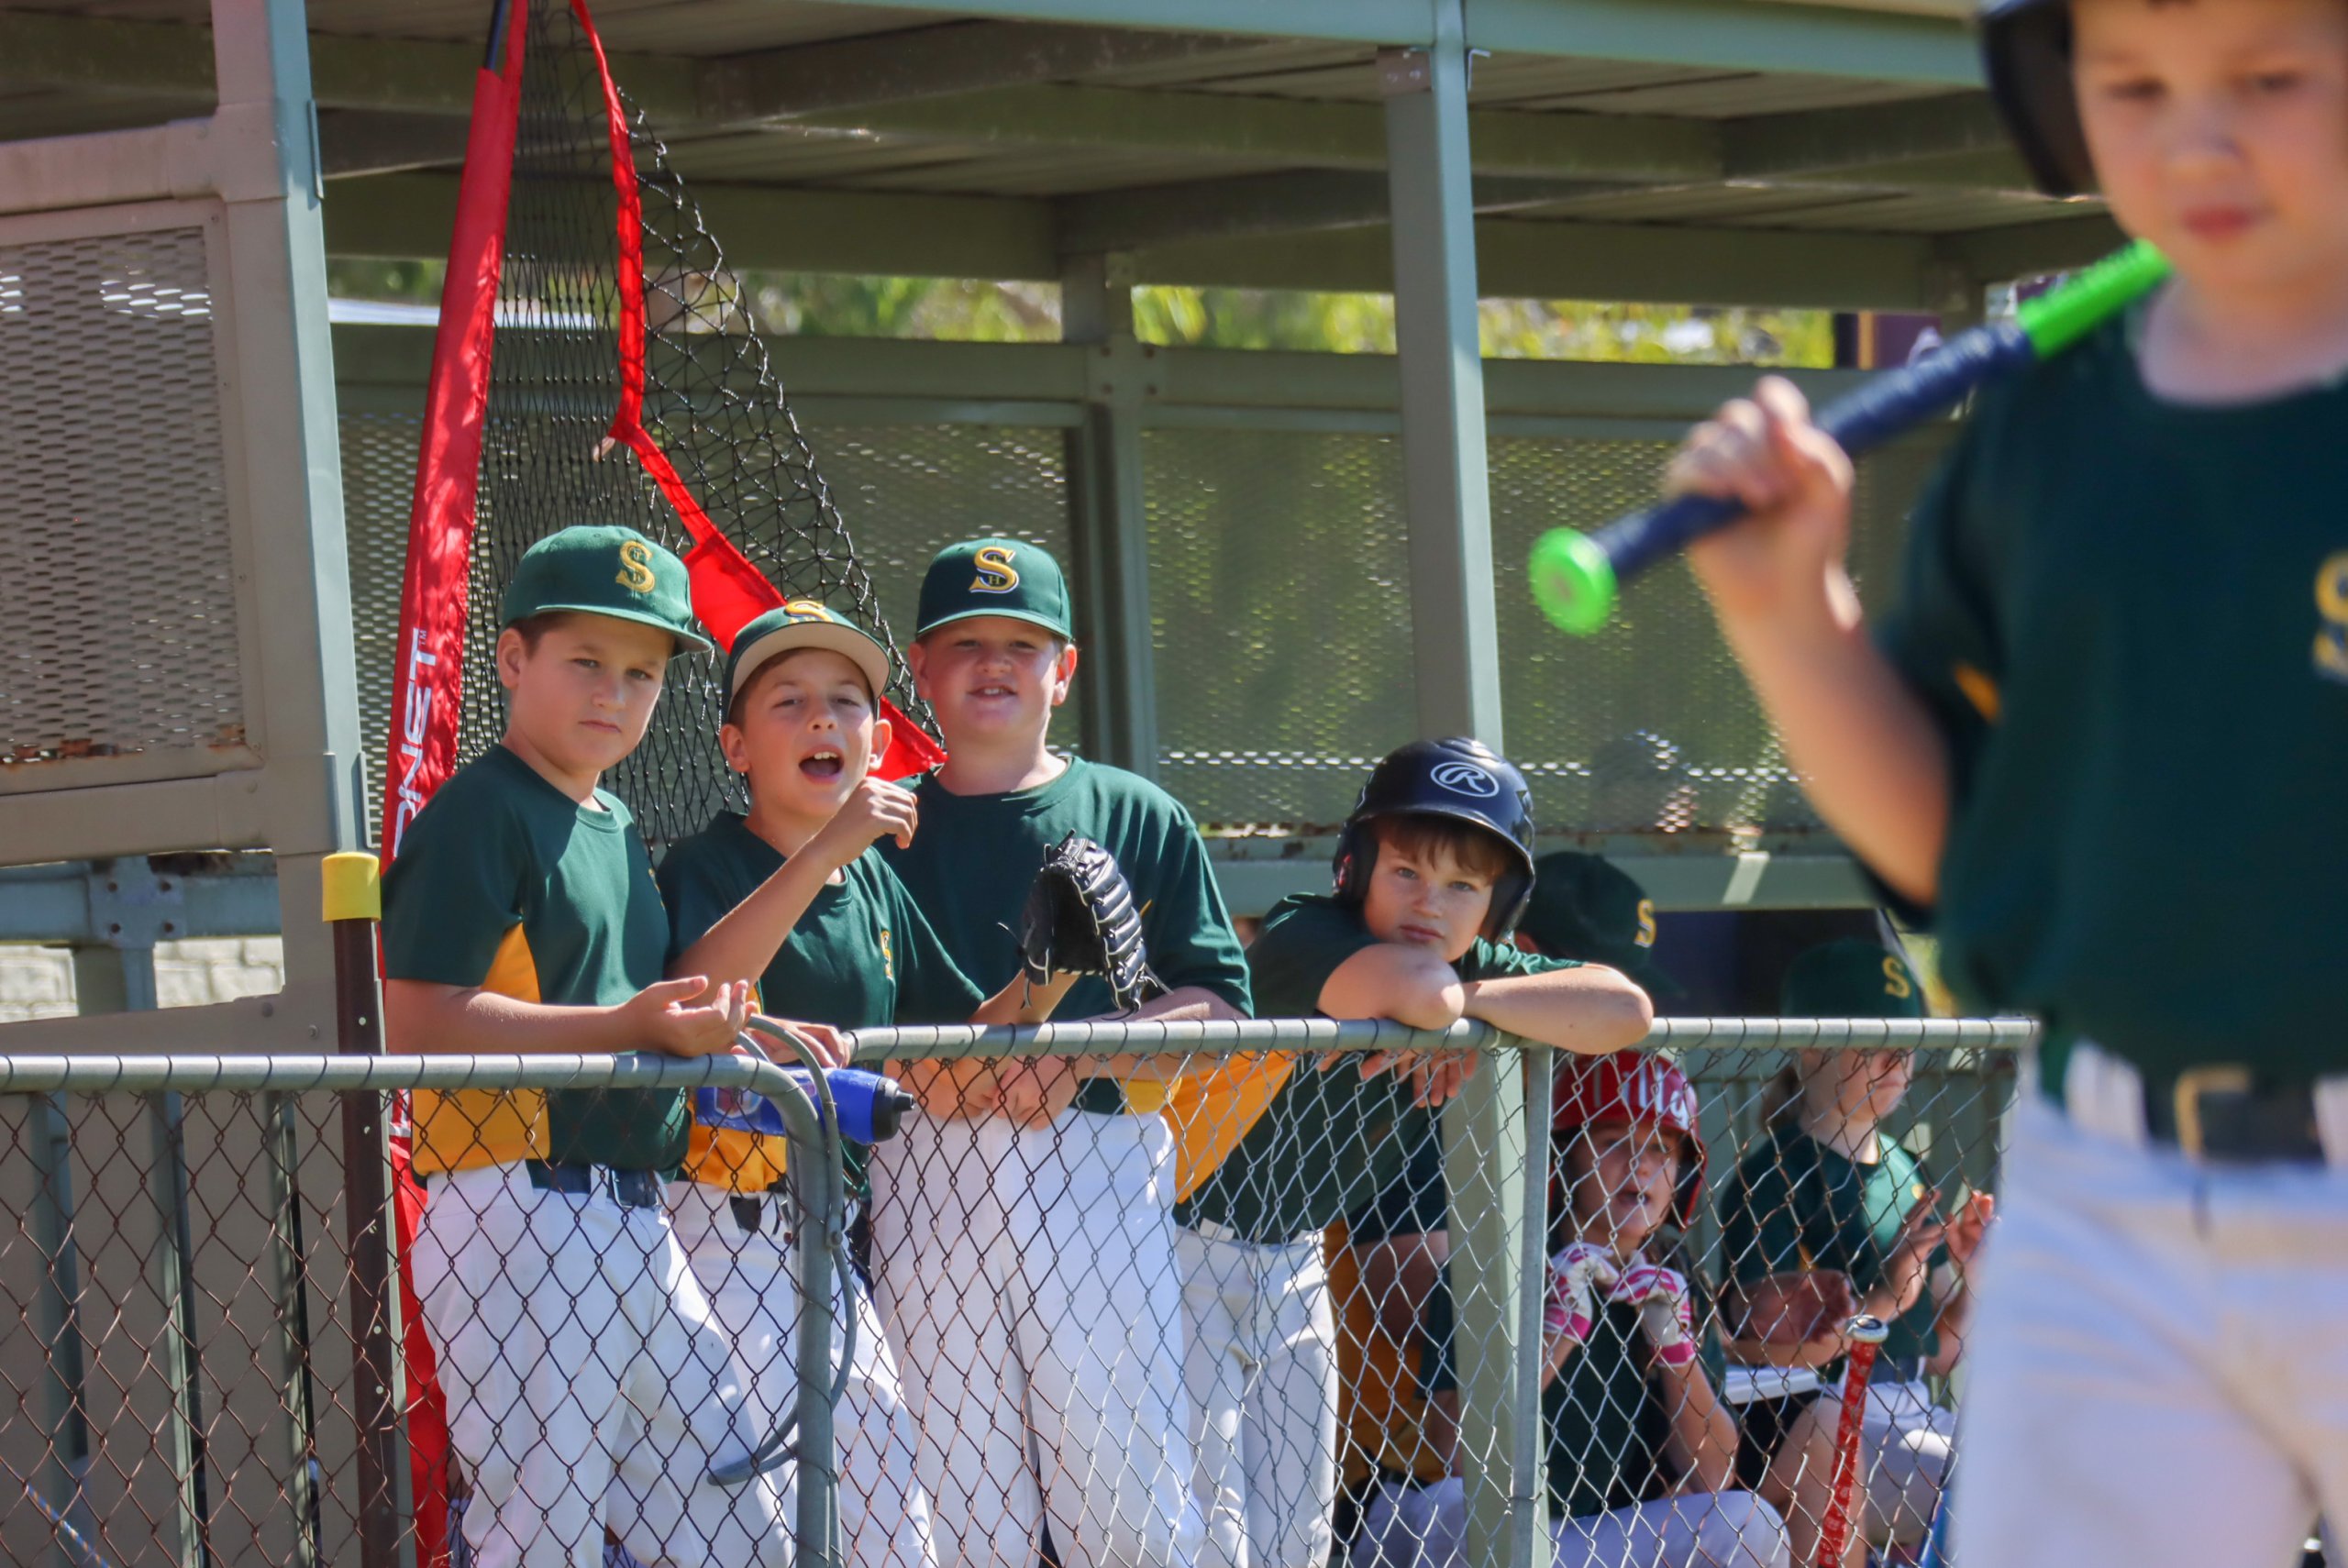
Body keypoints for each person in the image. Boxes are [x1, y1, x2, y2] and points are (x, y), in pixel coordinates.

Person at [1665, 1, 2348, 1560]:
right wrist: (1791, 617)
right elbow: (1952, 846)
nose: (2195, 135)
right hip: (2118, 1171)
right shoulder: (2052, 412)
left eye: (2270, 75)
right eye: (2131, 82)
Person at [381, 525, 792, 1568]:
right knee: (543, 1538)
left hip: (632, 1214)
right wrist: (633, 1028)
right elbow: (416, 1017)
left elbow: (639, 1000)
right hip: (513, 1199)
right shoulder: (479, 811)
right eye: (586, 662)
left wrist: (762, 1027)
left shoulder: (612, 819)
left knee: (731, 1513)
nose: (615, 692)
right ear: (513, 661)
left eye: (642, 673)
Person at [652, 601, 1089, 1568]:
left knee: (889, 1522)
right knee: (772, 1530)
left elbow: (963, 1050)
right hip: (717, 1223)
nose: (823, 720)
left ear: (880, 738)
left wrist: (1054, 966)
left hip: (825, 1236)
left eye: (847, 702)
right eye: (789, 702)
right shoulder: (712, 858)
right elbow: (698, 990)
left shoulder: (874, 883)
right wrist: (829, 848)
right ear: (734, 746)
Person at [1170, 740, 1654, 1568]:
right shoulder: (1303, 929)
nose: (1432, 903)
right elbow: (1423, 995)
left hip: (1289, 1256)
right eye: (1406, 873)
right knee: (1206, 1531)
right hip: (1177, 1247)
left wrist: (1466, 1013)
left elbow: (1626, 1009)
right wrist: (1462, 1015)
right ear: (1354, 868)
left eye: (1464, 886)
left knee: (1296, 1535)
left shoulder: (1462, 969)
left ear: (1496, 906)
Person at [873, 538, 1253, 1568]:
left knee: (1126, 1497)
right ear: (920, 665)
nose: (994, 664)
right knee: (956, 1509)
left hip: (1096, 1158)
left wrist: (1081, 1051)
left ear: (1064, 667)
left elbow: (1219, 1005)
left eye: (1021, 644)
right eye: (965, 644)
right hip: (925, 1164)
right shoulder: (876, 825)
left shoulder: (1134, 811)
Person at [1335, 851, 1684, 1496]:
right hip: (1408, 1484)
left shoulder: (1574, 1122)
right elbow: (1424, 1307)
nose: (1618, 1037)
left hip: (1569, 1487)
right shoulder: (1424, 1088)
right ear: (1531, 963)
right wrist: (1584, 1274)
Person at [1357, 1052, 1786, 1568]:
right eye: (1614, 1144)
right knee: (1466, 1507)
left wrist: (1676, 1353)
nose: (1643, 1165)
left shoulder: (1672, 1269)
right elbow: (1457, 1455)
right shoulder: (1495, 1256)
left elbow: (1712, 1476)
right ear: (1564, 1156)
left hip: (1589, 1533)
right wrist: (1555, 1334)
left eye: (1661, 1149)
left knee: (1749, 1521)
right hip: (1436, 1519)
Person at [1716, 939, 1991, 1564]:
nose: (1897, 1058)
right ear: (1812, 1045)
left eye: (1907, 1040)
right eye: (1872, 1042)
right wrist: (1883, 1303)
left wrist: (1975, 1272)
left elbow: (1942, 1353)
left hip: (1912, 1409)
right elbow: (1766, 1352)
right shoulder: (1777, 1174)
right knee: (1996, 1482)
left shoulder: (1907, 1167)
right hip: (1828, 1414)